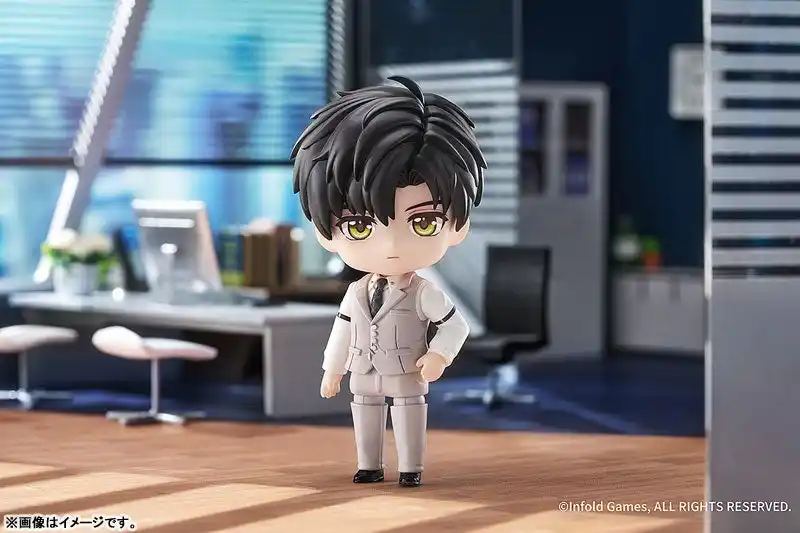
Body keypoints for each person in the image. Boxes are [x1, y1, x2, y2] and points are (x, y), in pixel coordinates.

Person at [290, 76, 485, 487]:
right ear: (325, 234)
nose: (392, 246)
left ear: (458, 226)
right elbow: (342, 331)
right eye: (359, 227)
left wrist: (439, 356)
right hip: (363, 369)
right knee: (365, 414)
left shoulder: (424, 292)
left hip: (408, 370)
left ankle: (411, 469)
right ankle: (369, 464)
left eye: (424, 222)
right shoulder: (355, 292)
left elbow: (456, 325)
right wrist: (332, 369)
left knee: (409, 416)